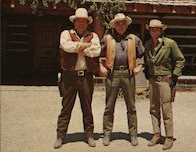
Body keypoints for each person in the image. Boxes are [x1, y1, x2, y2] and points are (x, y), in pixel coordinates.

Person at [54, 8, 101, 149]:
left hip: (86, 76)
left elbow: (97, 51)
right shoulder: (66, 34)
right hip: (69, 75)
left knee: (87, 107)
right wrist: (84, 46)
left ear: (87, 23)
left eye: (83, 21)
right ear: (74, 22)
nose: (81, 23)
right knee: (66, 107)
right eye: (78, 21)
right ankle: (60, 136)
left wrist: (79, 48)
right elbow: (65, 46)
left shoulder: (93, 35)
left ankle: (89, 135)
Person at [99, 13, 144, 146]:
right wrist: (101, 66)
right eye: (118, 23)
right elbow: (97, 54)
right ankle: (107, 134)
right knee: (109, 106)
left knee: (131, 106)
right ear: (114, 25)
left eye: (123, 23)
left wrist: (139, 66)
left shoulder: (134, 39)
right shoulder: (108, 38)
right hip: (112, 74)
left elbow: (142, 55)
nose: (121, 25)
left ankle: (133, 134)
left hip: (128, 74)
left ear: (126, 25)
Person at [144, 19, 185, 150]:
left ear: (161, 30)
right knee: (153, 108)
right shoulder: (148, 44)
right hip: (152, 80)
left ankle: (169, 137)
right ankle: (156, 133)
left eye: (156, 29)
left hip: (165, 80)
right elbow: (147, 60)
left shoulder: (170, 43)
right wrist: (147, 72)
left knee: (166, 108)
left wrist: (174, 76)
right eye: (151, 29)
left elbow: (180, 59)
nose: (154, 31)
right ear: (149, 30)